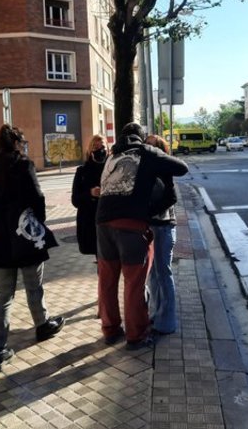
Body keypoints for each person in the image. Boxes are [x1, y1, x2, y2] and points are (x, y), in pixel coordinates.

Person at [0, 124, 65, 373]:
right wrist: (38, 221)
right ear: (16, 143)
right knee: (34, 285)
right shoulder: (23, 165)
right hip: (25, 233)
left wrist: (3, 217)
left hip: (0, 238)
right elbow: (37, 197)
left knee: (4, 294)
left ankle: (0, 349)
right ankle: (42, 325)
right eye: (23, 142)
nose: (24, 146)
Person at [96, 123, 188, 349]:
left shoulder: (112, 156)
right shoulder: (146, 152)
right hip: (130, 225)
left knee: (107, 282)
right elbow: (181, 167)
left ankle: (110, 330)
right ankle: (135, 336)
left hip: (102, 224)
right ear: (141, 137)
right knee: (134, 282)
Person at [144, 134, 179, 335]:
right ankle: (157, 314)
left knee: (163, 274)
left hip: (164, 226)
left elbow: (171, 197)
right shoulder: (146, 169)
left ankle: (167, 321)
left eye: (152, 146)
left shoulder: (164, 169)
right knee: (154, 275)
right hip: (151, 226)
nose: (148, 148)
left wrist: (149, 211)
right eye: (146, 145)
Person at [71, 135, 108, 256]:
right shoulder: (82, 171)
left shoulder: (113, 169)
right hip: (90, 221)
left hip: (109, 220)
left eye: (102, 146)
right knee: (100, 257)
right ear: (90, 150)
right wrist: (90, 193)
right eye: (95, 147)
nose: (100, 150)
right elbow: (75, 200)